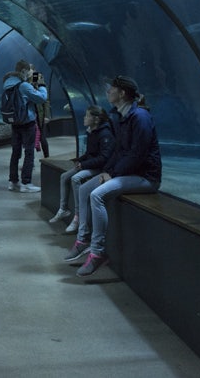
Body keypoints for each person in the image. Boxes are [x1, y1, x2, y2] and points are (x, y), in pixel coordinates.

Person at [64, 76, 161, 277]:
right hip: (128, 172)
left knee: (96, 195)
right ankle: (83, 240)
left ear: (122, 93)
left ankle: (98, 252)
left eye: (111, 90)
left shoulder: (140, 117)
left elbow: (137, 154)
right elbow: (118, 151)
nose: (108, 93)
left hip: (145, 176)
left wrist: (113, 173)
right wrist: (106, 171)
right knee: (84, 188)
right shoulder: (123, 117)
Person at [49, 105, 114, 232]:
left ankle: (77, 216)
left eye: (87, 115)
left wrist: (84, 164)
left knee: (76, 178)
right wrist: (80, 160)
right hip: (90, 164)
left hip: (100, 168)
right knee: (64, 176)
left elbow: (103, 158)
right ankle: (63, 209)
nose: (84, 118)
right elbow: (90, 153)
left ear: (96, 119)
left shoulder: (105, 134)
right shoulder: (91, 131)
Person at [3, 60, 48, 192]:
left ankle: (13, 181)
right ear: (24, 70)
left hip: (15, 122)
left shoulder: (7, 83)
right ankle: (26, 183)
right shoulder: (24, 84)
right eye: (29, 70)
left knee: (15, 152)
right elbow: (42, 98)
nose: (31, 72)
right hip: (27, 121)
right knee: (29, 152)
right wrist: (41, 85)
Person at [31, 68, 51, 158]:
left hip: (41, 115)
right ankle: (30, 161)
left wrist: (47, 115)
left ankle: (47, 157)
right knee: (31, 139)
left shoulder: (38, 79)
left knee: (42, 138)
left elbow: (46, 100)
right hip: (32, 114)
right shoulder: (26, 81)